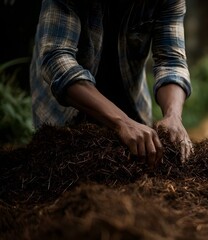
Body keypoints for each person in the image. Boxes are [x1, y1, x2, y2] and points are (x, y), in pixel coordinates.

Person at [30, 0, 193, 166]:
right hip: (67, 109)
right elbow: (57, 59)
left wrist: (173, 116)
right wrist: (123, 122)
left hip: (131, 103)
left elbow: (171, 61)